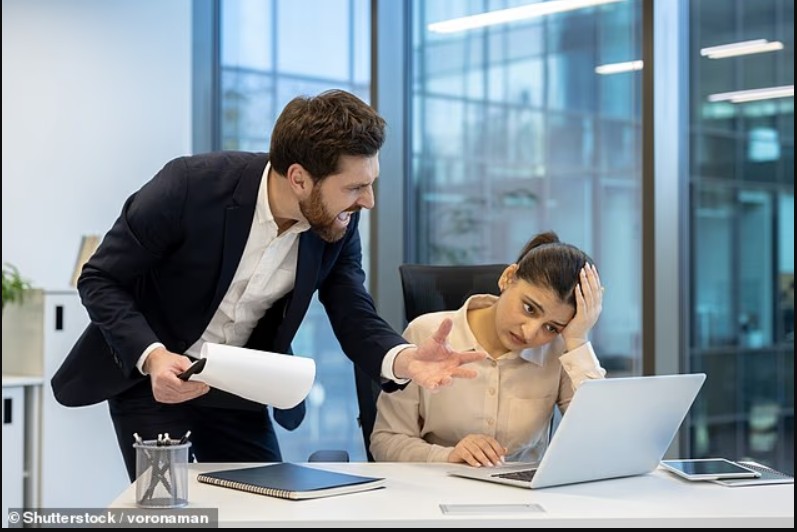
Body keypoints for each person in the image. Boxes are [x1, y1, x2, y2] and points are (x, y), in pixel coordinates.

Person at [51, 89, 483, 480]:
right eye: (355, 187)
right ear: (299, 178)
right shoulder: (188, 186)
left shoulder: (336, 222)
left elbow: (352, 308)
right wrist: (152, 357)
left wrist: (404, 359)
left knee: (263, 502)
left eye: (371, 184)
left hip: (239, 382)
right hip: (157, 380)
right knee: (171, 508)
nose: (368, 201)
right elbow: (100, 277)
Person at [370, 231, 606, 466]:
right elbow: (385, 441)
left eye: (552, 327)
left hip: (526, 497)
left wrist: (577, 340)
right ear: (508, 277)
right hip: (437, 489)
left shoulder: (560, 351)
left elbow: (600, 444)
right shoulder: (425, 334)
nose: (530, 332)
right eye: (529, 309)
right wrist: (448, 456)